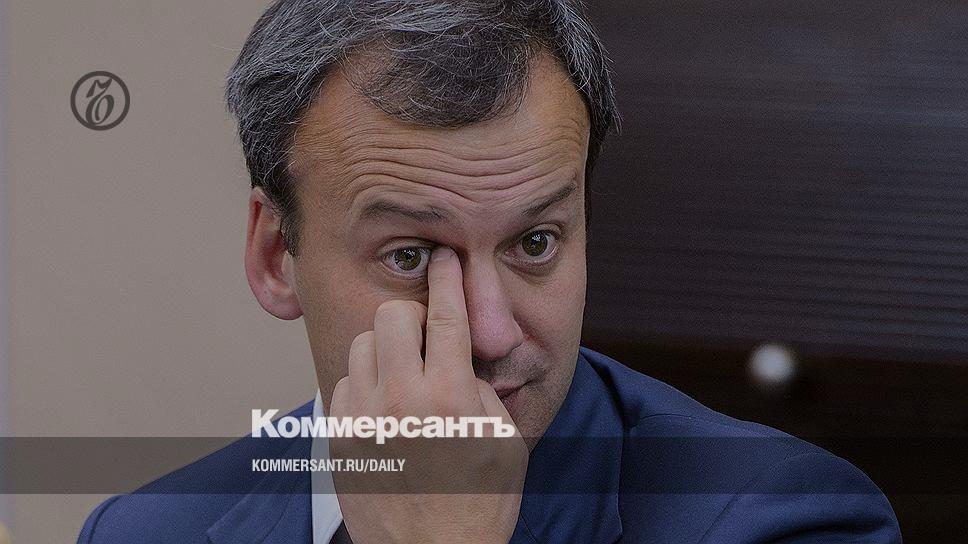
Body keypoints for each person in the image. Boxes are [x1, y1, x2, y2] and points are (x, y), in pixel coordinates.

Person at [78, 1, 901, 542]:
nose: (493, 332)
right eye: (410, 256)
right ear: (274, 259)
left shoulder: (783, 521)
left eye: (534, 242)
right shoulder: (146, 531)